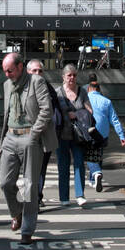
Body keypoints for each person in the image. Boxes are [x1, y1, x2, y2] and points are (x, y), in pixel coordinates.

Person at [0, 51, 55, 245]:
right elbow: (6, 114)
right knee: (5, 182)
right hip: (10, 137)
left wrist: (35, 133)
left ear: (21, 67)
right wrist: (1, 142)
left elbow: (47, 109)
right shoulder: (7, 85)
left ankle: (27, 230)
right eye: (5, 71)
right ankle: (17, 212)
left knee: (30, 186)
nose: (7, 74)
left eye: (10, 70)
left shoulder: (36, 82)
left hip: (30, 137)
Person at [52, 63, 92, 207]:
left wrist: (77, 114)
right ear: (63, 77)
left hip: (78, 135)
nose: (72, 78)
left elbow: (90, 112)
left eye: (74, 75)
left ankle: (80, 195)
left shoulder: (82, 92)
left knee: (79, 164)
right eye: (69, 75)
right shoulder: (57, 93)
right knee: (63, 165)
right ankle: (64, 197)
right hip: (61, 134)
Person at [26, 59, 64, 206]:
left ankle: (36, 198)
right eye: (34, 71)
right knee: (27, 171)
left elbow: (54, 112)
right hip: (27, 136)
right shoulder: (22, 87)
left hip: (44, 136)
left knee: (41, 169)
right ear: (27, 72)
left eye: (40, 71)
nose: (37, 73)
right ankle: (30, 197)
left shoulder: (49, 89)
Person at [84, 78, 125, 193]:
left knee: (88, 155)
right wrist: (121, 136)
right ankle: (93, 179)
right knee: (98, 154)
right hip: (103, 133)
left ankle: (96, 174)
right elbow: (114, 120)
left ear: (89, 89)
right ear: (99, 89)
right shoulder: (107, 101)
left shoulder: (86, 99)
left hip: (89, 131)